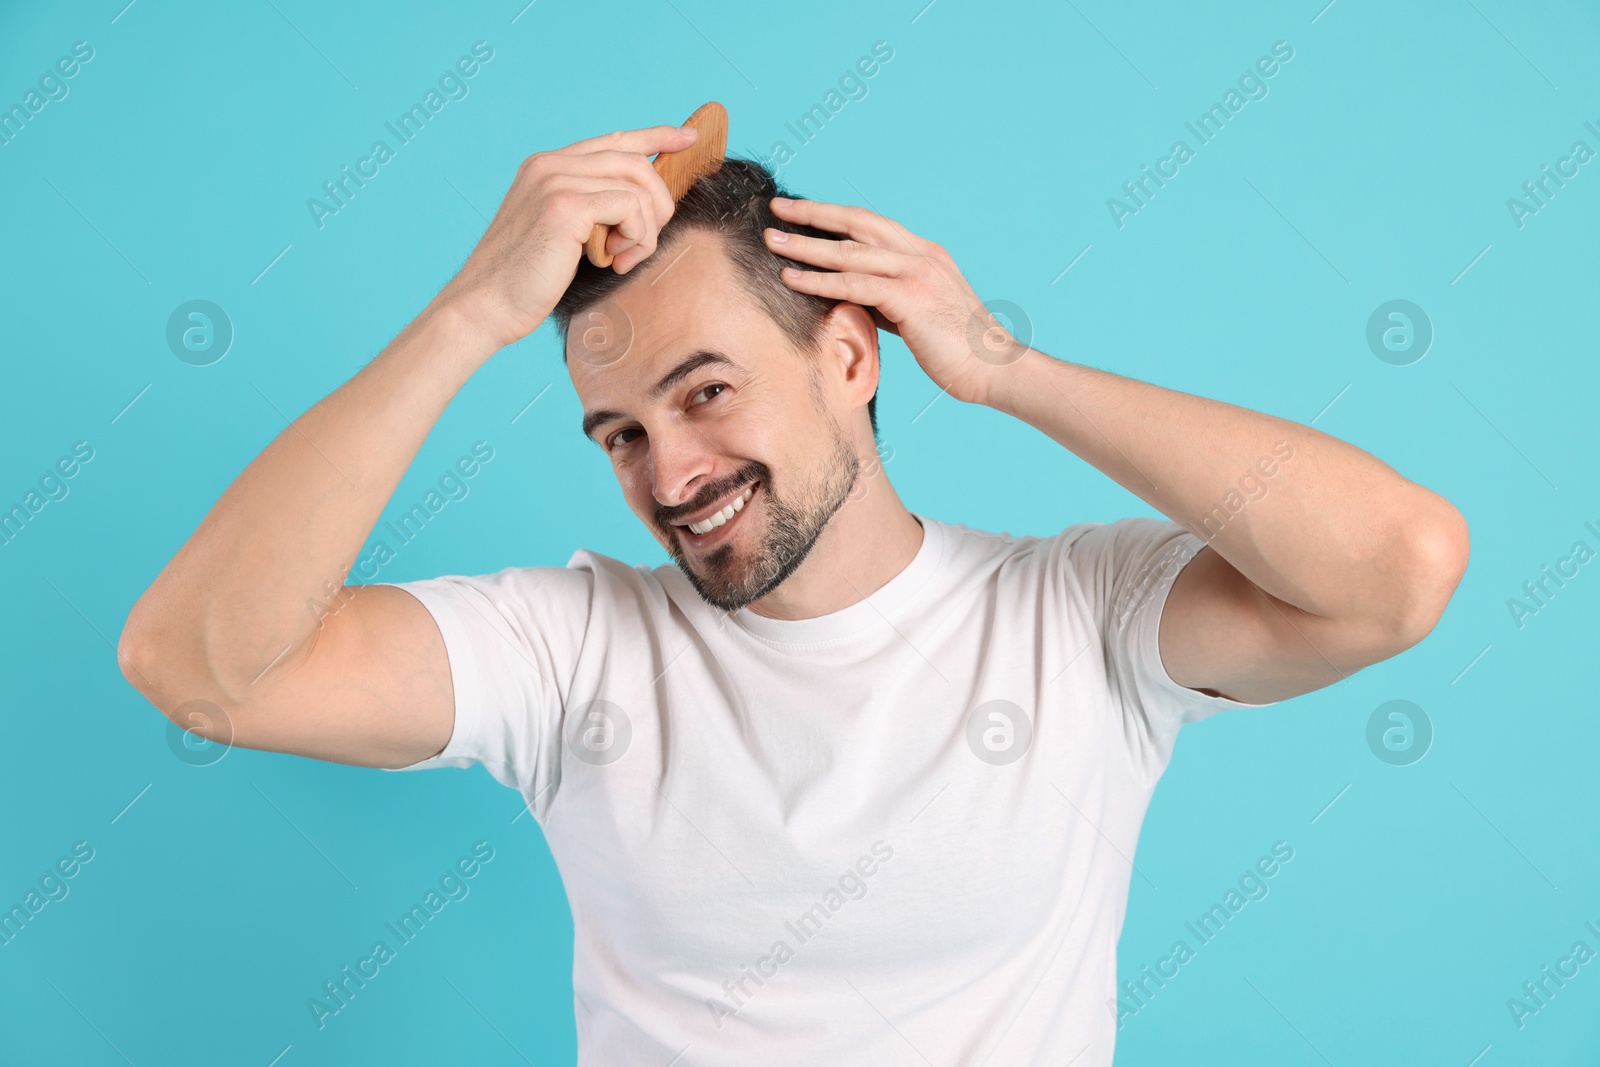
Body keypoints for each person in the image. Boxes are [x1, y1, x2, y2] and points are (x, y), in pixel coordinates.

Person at [118, 123, 1469, 1064]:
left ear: (850, 355)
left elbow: (1393, 570)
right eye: (622, 433)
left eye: (706, 392)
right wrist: (473, 309)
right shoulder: (571, 651)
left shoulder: (1081, 620)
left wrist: (1004, 367)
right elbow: (200, 666)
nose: (673, 472)